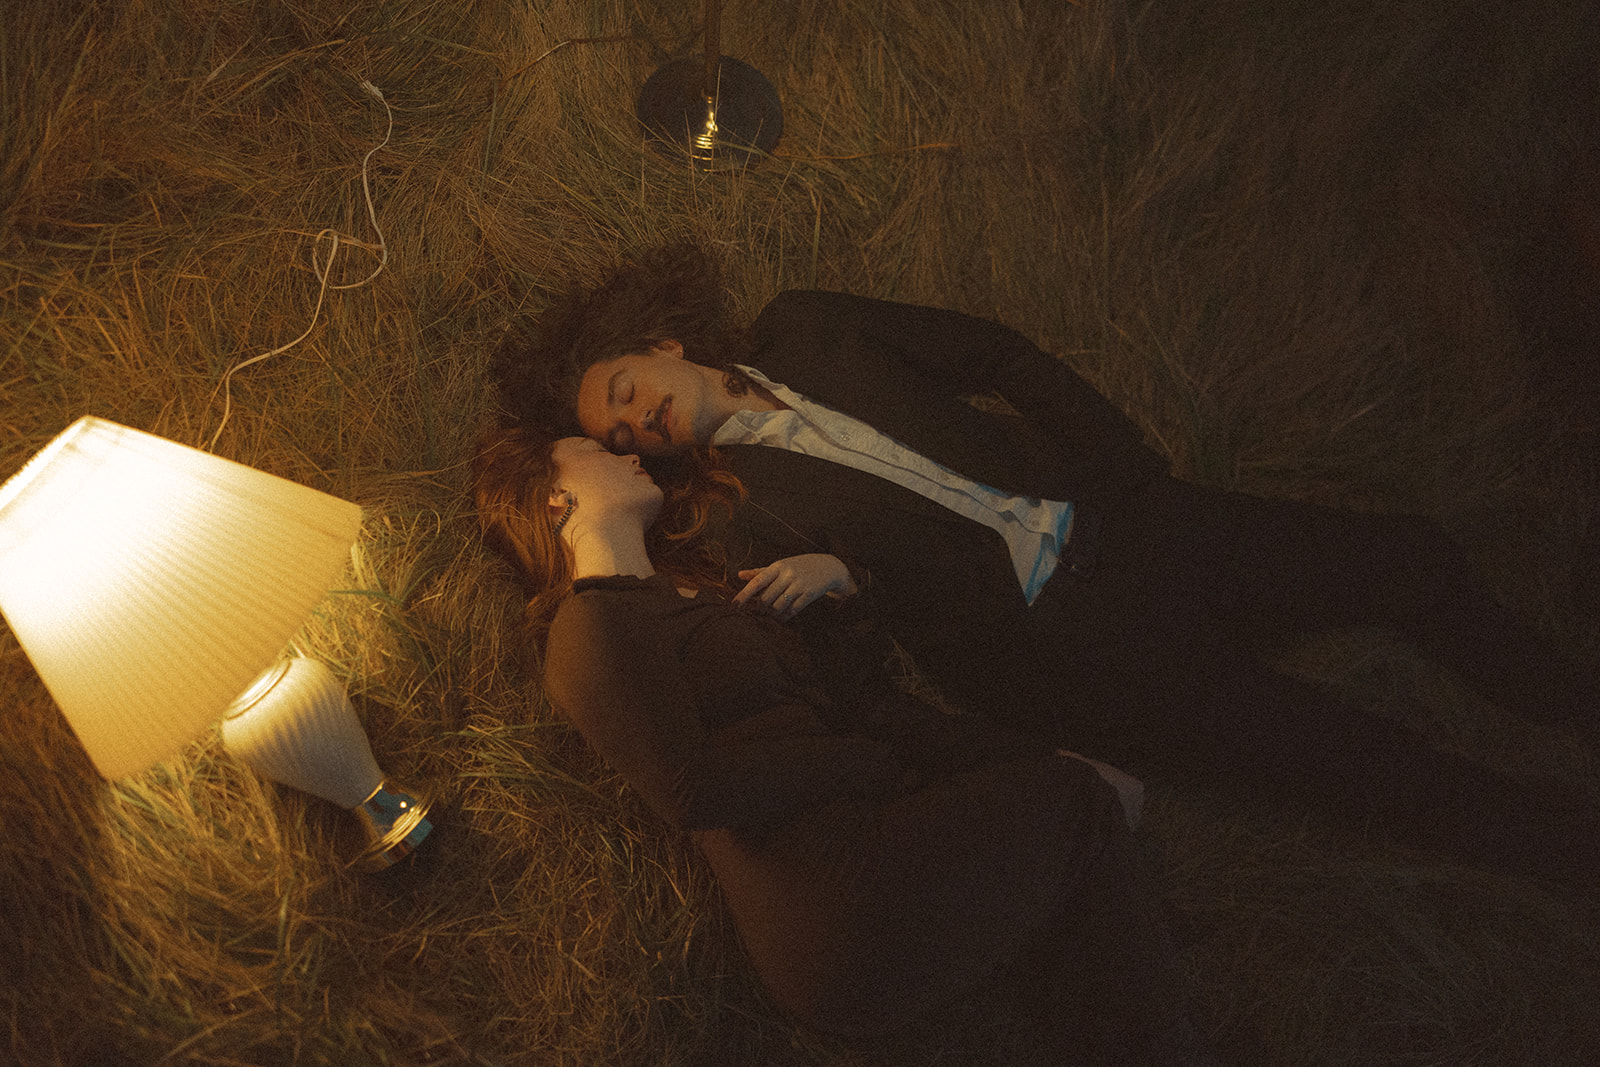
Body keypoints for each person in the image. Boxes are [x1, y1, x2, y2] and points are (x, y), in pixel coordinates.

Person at [492, 241, 1600, 894]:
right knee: (1335, 751)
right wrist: (844, 579)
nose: (637, 418)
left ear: (668, 352)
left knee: (1406, 558)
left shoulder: (809, 328)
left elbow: (992, 353)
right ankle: (1559, 841)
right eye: (623, 432)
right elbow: (864, 670)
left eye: (628, 387)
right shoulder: (743, 520)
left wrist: (1129, 469)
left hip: (1125, 524)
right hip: (1064, 646)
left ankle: (1557, 693)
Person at [472, 423, 1215, 1064]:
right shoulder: (587, 627)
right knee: (1076, 805)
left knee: (1068, 850)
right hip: (825, 902)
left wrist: (843, 587)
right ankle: (1169, 1037)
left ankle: (1144, 1002)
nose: (620, 453)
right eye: (590, 451)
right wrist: (863, 762)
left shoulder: (687, 593)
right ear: (554, 498)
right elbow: (690, 788)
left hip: (874, 834)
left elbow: (857, 704)